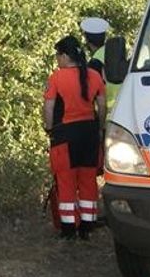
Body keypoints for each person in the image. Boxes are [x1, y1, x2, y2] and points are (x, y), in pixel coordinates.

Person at [43, 35, 106, 239]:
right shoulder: (94, 75)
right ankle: (87, 226)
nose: (56, 60)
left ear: (64, 56)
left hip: (65, 134)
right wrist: (100, 128)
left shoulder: (57, 78)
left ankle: (69, 228)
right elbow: (102, 106)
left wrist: (49, 128)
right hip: (89, 133)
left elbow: (49, 106)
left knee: (66, 179)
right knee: (88, 179)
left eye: (57, 56)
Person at [81, 16, 122, 109]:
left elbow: (92, 93)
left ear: (87, 40)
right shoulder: (114, 53)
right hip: (122, 106)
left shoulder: (95, 62)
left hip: (108, 111)